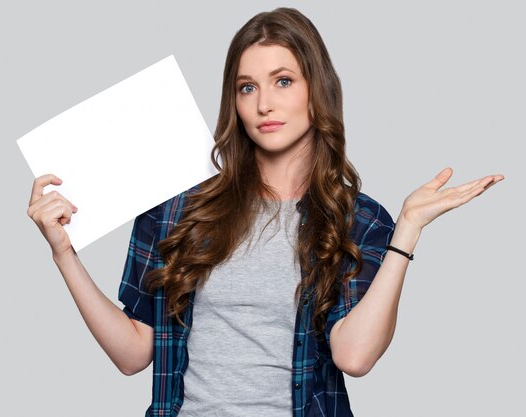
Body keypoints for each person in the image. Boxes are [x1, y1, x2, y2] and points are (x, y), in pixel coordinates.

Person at [26, 7, 504, 417]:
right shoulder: (177, 210)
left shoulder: (360, 219)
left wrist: (408, 231)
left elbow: (354, 356)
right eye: (247, 88)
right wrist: (65, 252)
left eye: (282, 81)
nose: (264, 104)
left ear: (316, 92)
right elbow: (133, 353)